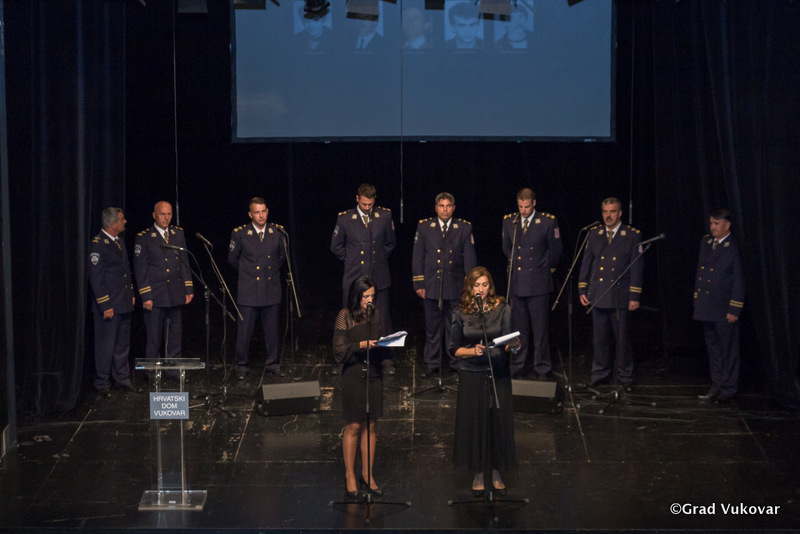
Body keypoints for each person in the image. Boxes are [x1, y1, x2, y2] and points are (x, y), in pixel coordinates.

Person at [450, 267, 519, 495]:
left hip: (497, 372)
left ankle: (496, 471)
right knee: (475, 423)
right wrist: (473, 352)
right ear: (470, 288)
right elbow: (453, 349)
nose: (481, 289)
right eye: (477, 285)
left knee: (497, 421)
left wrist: (513, 346)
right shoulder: (461, 312)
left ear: (490, 286)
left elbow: (508, 341)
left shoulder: (502, 309)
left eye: (485, 284)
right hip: (471, 373)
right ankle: (478, 473)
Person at [333, 276, 390, 499]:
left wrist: (386, 345)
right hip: (353, 374)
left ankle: (367, 474)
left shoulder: (375, 314)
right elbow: (339, 351)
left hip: (373, 373)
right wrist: (360, 345)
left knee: (371, 425)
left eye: (372, 296)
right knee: (354, 426)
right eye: (366, 296)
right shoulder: (345, 315)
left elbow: (380, 341)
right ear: (357, 296)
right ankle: (350, 475)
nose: (369, 301)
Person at [331, 183, 396, 374]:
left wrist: (376, 260)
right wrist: (352, 260)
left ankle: (386, 358)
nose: (367, 208)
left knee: (382, 318)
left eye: (370, 204)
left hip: (378, 276)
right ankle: (346, 358)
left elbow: (390, 243)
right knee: (349, 318)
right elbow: (336, 247)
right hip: (354, 277)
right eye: (364, 204)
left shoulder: (384, 216)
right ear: (357, 199)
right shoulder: (345, 218)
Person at [578, 197, 643, 390]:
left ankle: (625, 376)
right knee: (599, 339)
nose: (608, 215)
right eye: (605, 211)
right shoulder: (594, 234)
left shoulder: (631, 235)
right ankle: (599, 373)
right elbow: (586, 263)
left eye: (612, 211)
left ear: (620, 213)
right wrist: (582, 289)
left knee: (622, 339)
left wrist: (634, 296)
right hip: (599, 294)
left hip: (620, 295)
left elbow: (637, 268)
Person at [413, 192, 477, 377]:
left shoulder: (463, 227)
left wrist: (470, 286)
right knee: (432, 327)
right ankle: (431, 363)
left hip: (455, 285)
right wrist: (419, 283)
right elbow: (418, 256)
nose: (445, 209)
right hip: (432, 284)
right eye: (442, 206)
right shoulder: (425, 226)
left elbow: (469, 259)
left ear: (453, 208)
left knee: (454, 327)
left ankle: (455, 362)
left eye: (448, 206)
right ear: (436, 208)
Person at [502, 188, 562, 380]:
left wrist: (542, 269)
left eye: (527, 207)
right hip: (518, 283)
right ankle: (517, 365)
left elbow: (555, 251)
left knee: (540, 329)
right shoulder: (509, 221)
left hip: (538, 283)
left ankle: (542, 367)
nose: (523, 210)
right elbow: (507, 248)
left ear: (534, 203)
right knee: (517, 330)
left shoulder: (547, 221)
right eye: (520, 206)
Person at [229, 197, 287, 380]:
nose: (261, 215)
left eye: (263, 211)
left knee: (272, 331)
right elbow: (233, 259)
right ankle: (241, 366)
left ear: (267, 211)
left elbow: (281, 258)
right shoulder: (240, 233)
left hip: (270, 288)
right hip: (249, 289)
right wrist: (249, 274)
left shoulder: (277, 232)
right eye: (257, 212)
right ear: (250, 214)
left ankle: (273, 364)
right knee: (244, 332)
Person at [693, 208, 745, 403]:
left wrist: (734, 308)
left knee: (728, 350)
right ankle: (716, 384)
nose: (712, 227)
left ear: (727, 225)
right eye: (711, 223)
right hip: (707, 305)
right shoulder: (706, 242)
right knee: (713, 349)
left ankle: (729, 388)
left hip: (724, 307)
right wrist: (698, 301)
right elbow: (701, 273)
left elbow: (738, 279)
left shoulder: (734, 246)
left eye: (716, 224)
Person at [134, 201, 194, 361]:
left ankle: (173, 369)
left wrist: (188, 288)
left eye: (169, 214)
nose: (166, 218)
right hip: (156, 294)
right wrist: (146, 295)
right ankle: (152, 370)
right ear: (154, 215)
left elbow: (184, 261)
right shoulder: (144, 237)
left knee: (175, 335)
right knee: (154, 336)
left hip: (175, 291)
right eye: (162, 214)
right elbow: (140, 268)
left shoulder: (178, 233)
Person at [88, 207, 136, 396]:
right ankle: (102, 382)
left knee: (122, 345)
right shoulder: (98, 244)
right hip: (109, 305)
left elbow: (125, 271)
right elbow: (96, 278)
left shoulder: (119, 241)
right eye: (122, 219)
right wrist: (105, 305)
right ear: (113, 224)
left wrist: (131, 293)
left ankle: (121, 379)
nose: (125, 222)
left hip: (123, 302)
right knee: (105, 346)